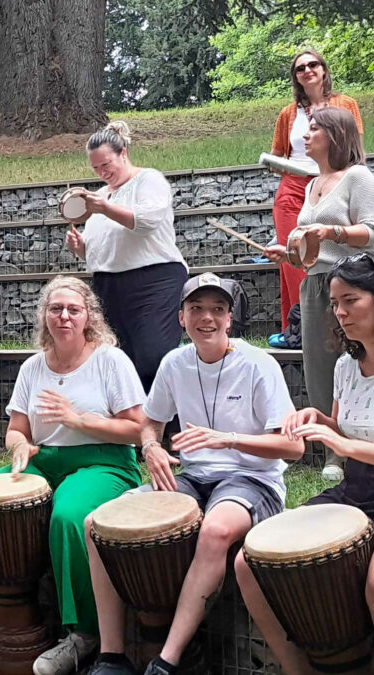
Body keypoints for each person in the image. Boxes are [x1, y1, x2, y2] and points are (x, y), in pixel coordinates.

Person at [85, 273, 303, 675]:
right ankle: (111, 655)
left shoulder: (259, 364)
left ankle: (166, 660)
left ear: (230, 318)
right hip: (193, 477)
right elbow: (150, 423)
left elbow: (293, 447)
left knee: (216, 530)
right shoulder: (175, 363)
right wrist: (150, 446)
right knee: (95, 523)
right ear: (181, 317)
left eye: (218, 309)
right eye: (197, 309)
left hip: (254, 479)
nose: (208, 318)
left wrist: (229, 439)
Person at [0, 276, 146, 674]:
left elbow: (139, 429)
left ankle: (84, 634)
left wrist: (78, 420)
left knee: (68, 516)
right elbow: (16, 429)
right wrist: (19, 446)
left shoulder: (110, 360)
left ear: (88, 317)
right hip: (43, 460)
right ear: (44, 315)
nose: (64, 316)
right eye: (55, 308)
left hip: (104, 462)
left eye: (73, 309)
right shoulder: (33, 366)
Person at [236, 254, 374, 675]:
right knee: (251, 561)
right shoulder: (347, 366)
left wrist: (341, 445)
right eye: (334, 303)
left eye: (350, 299)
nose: (339, 312)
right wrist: (319, 419)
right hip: (356, 489)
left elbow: (349, 443)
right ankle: (297, 668)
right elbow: (347, 427)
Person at [265, 107, 374, 481]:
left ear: (336, 135)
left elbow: (372, 232)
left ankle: (353, 449)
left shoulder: (357, 176)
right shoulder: (312, 184)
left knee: (359, 357)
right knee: (320, 368)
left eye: (314, 129)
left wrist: (333, 234)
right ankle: (333, 448)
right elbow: (311, 245)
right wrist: (289, 254)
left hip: (354, 282)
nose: (305, 135)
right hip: (315, 283)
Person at [65, 121, 188, 394]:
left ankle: (168, 424)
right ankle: (133, 426)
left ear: (123, 153)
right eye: (95, 168)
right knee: (119, 359)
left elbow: (146, 222)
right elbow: (102, 250)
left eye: (106, 164)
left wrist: (105, 208)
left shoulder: (148, 180)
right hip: (109, 284)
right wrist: (81, 247)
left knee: (153, 355)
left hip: (154, 279)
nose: (102, 172)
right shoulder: (100, 195)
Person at [267, 50, 363, 333]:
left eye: (313, 64)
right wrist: (286, 166)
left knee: (334, 251)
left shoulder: (345, 104)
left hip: (334, 183)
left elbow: (356, 151)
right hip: (294, 188)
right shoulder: (288, 113)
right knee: (293, 255)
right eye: (300, 68)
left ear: (323, 69)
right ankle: (298, 328)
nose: (307, 70)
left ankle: (340, 322)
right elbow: (277, 154)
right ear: (295, 77)